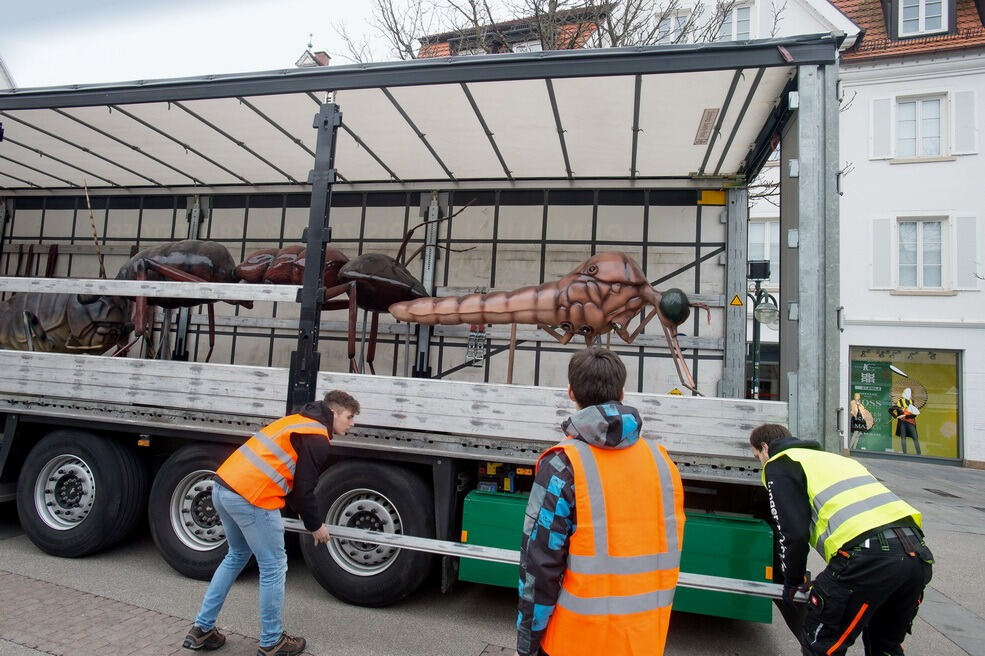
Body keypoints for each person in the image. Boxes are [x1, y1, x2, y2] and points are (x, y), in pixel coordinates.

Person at [513, 347, 685, 656]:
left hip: (575, 643)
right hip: (643, 643)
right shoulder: (663, 464)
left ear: (570, 392)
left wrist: (527, 644)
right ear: (622, 392)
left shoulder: (564, 466)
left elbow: (538, 568)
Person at [183, 390, 360, 656]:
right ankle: (272, 641)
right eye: (350, 416)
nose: (352, 423)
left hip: (222, 487)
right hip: (252, 499)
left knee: (236, 555)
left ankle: (202, 629)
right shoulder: (318, 437)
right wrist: (315, 525)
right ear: (333, 413)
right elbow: (303, 490)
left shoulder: (294, 421)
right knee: (273, 566)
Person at [750, 423, 933, 656]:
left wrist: (792, 580)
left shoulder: (780, 463)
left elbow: (793, 533)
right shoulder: (837, 460)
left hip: (868, 557)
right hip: (916, 553)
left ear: (765, 448)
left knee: (822, 645)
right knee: (885, 646)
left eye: (758, 456)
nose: (760, 462)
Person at [892, 388, 921, 455]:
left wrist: (905, 416)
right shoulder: (899, 403)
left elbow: (914, 415)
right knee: (903, 438)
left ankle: (919, 453)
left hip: (911, 422)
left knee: (915, 437)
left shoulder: (911, 404)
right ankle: (904, 453)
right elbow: (891, 410)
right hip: (903, 423)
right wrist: (895, 416)